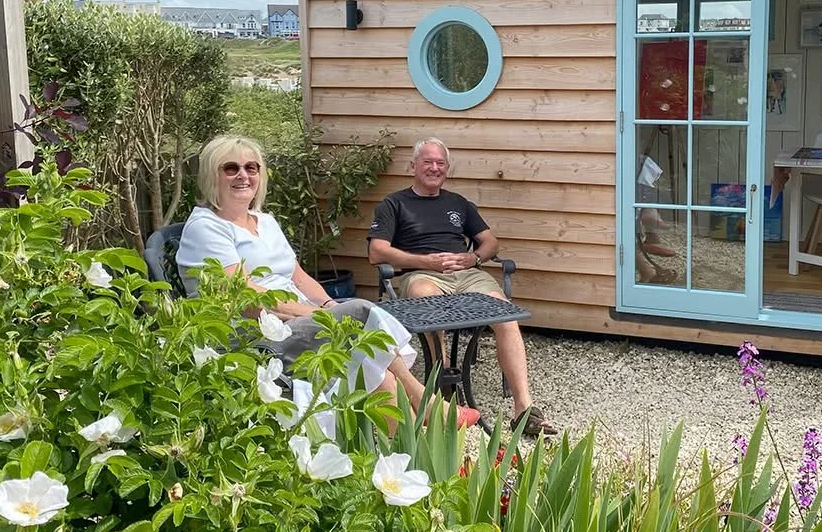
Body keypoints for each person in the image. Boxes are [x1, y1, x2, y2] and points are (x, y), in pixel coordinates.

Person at [176, 134, 479, 430]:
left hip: (295, 319)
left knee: (377, 372)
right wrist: (319, 315)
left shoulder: (263, 221)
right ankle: (427, 404)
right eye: (231, 168)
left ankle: (416, 452)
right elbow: (244, 296)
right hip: (253, 333)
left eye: (251, 168)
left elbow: (297, 274)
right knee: (360, 313)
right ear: (211, 176)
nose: (243, 175)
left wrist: (328, 304)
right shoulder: (206, 227)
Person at [366, 137, 557, 438]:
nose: (434, 168)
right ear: (413, 166)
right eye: (427, 162)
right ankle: (440, 392)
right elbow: (377, 252)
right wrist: (425, 262)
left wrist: (474, 257)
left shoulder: (458, 204)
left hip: (466, 274)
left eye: (440, 163)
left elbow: (491, 242)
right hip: (421, 274)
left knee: (505, 314)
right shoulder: (394, 204)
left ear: (447, 169)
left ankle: (524, 409)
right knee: (427, 302)